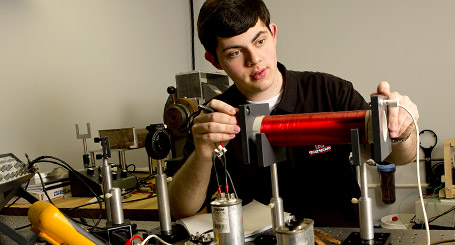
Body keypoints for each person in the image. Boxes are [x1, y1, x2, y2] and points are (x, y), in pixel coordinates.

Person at [168, 0, 419, 227]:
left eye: (260, 41)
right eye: (235, 52)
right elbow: (181, 210)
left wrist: (401, 129)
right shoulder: (214, 118)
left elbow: (401, 157)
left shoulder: (329, 91)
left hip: (340, 244)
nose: (254, 59)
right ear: (214, 60)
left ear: (273, 34)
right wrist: (202, 153)